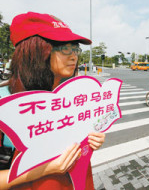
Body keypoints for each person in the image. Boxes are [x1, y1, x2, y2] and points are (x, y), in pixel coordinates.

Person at [0, 12, 105, 189]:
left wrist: (91, 140)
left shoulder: (71, 97)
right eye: (64, 48)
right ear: (34, 51)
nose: (74, 56)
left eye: (75, 49)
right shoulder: (5, 103)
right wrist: (42, 169)